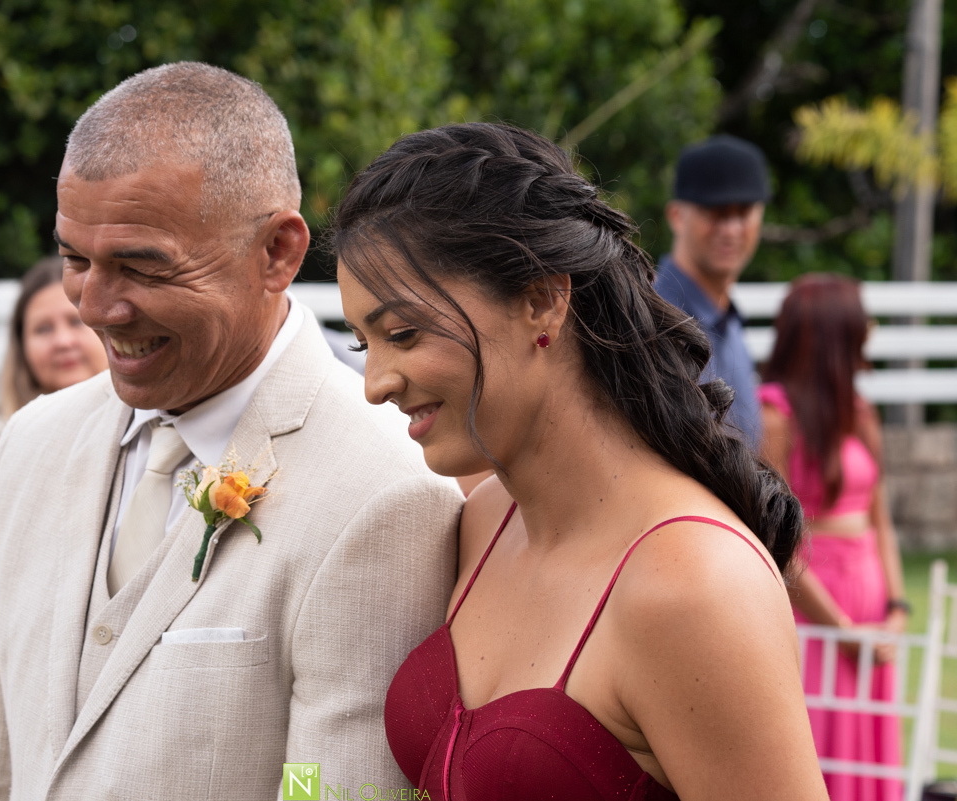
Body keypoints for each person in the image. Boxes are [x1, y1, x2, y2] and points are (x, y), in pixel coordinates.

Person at [0, 63, 461, 800]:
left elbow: (339, 789)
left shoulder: (387, 489)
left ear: (277, 252)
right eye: (74, 258)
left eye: (140, 266)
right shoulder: (29, 445)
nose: (95, 306)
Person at [334, 123, 827, 800]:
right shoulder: (483, 520)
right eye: (365, 345)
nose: (376, 382)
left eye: (403, 333)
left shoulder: (694, 586)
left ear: (543, 297)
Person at [759, 274, 906, 801]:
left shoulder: (860, 414)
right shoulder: (776, 415)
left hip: (870, 621)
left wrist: (897, 605)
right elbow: (777, 542)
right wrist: (842, 629)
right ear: (833, 334)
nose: (868, 332)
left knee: (870, 755)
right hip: (818, 620)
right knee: (822, 754)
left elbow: (879, 520)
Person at [655, 135, 769, 446]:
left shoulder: (728, 319)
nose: (731, 229)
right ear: (677, 216)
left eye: (743, 212)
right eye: (715, 213)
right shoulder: (655, 318)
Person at [0, 257, 108, 475]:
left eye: (76, 321)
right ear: (21, 345)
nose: (63, 341)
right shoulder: (0, 442)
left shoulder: (147, 428)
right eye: (43, 329)